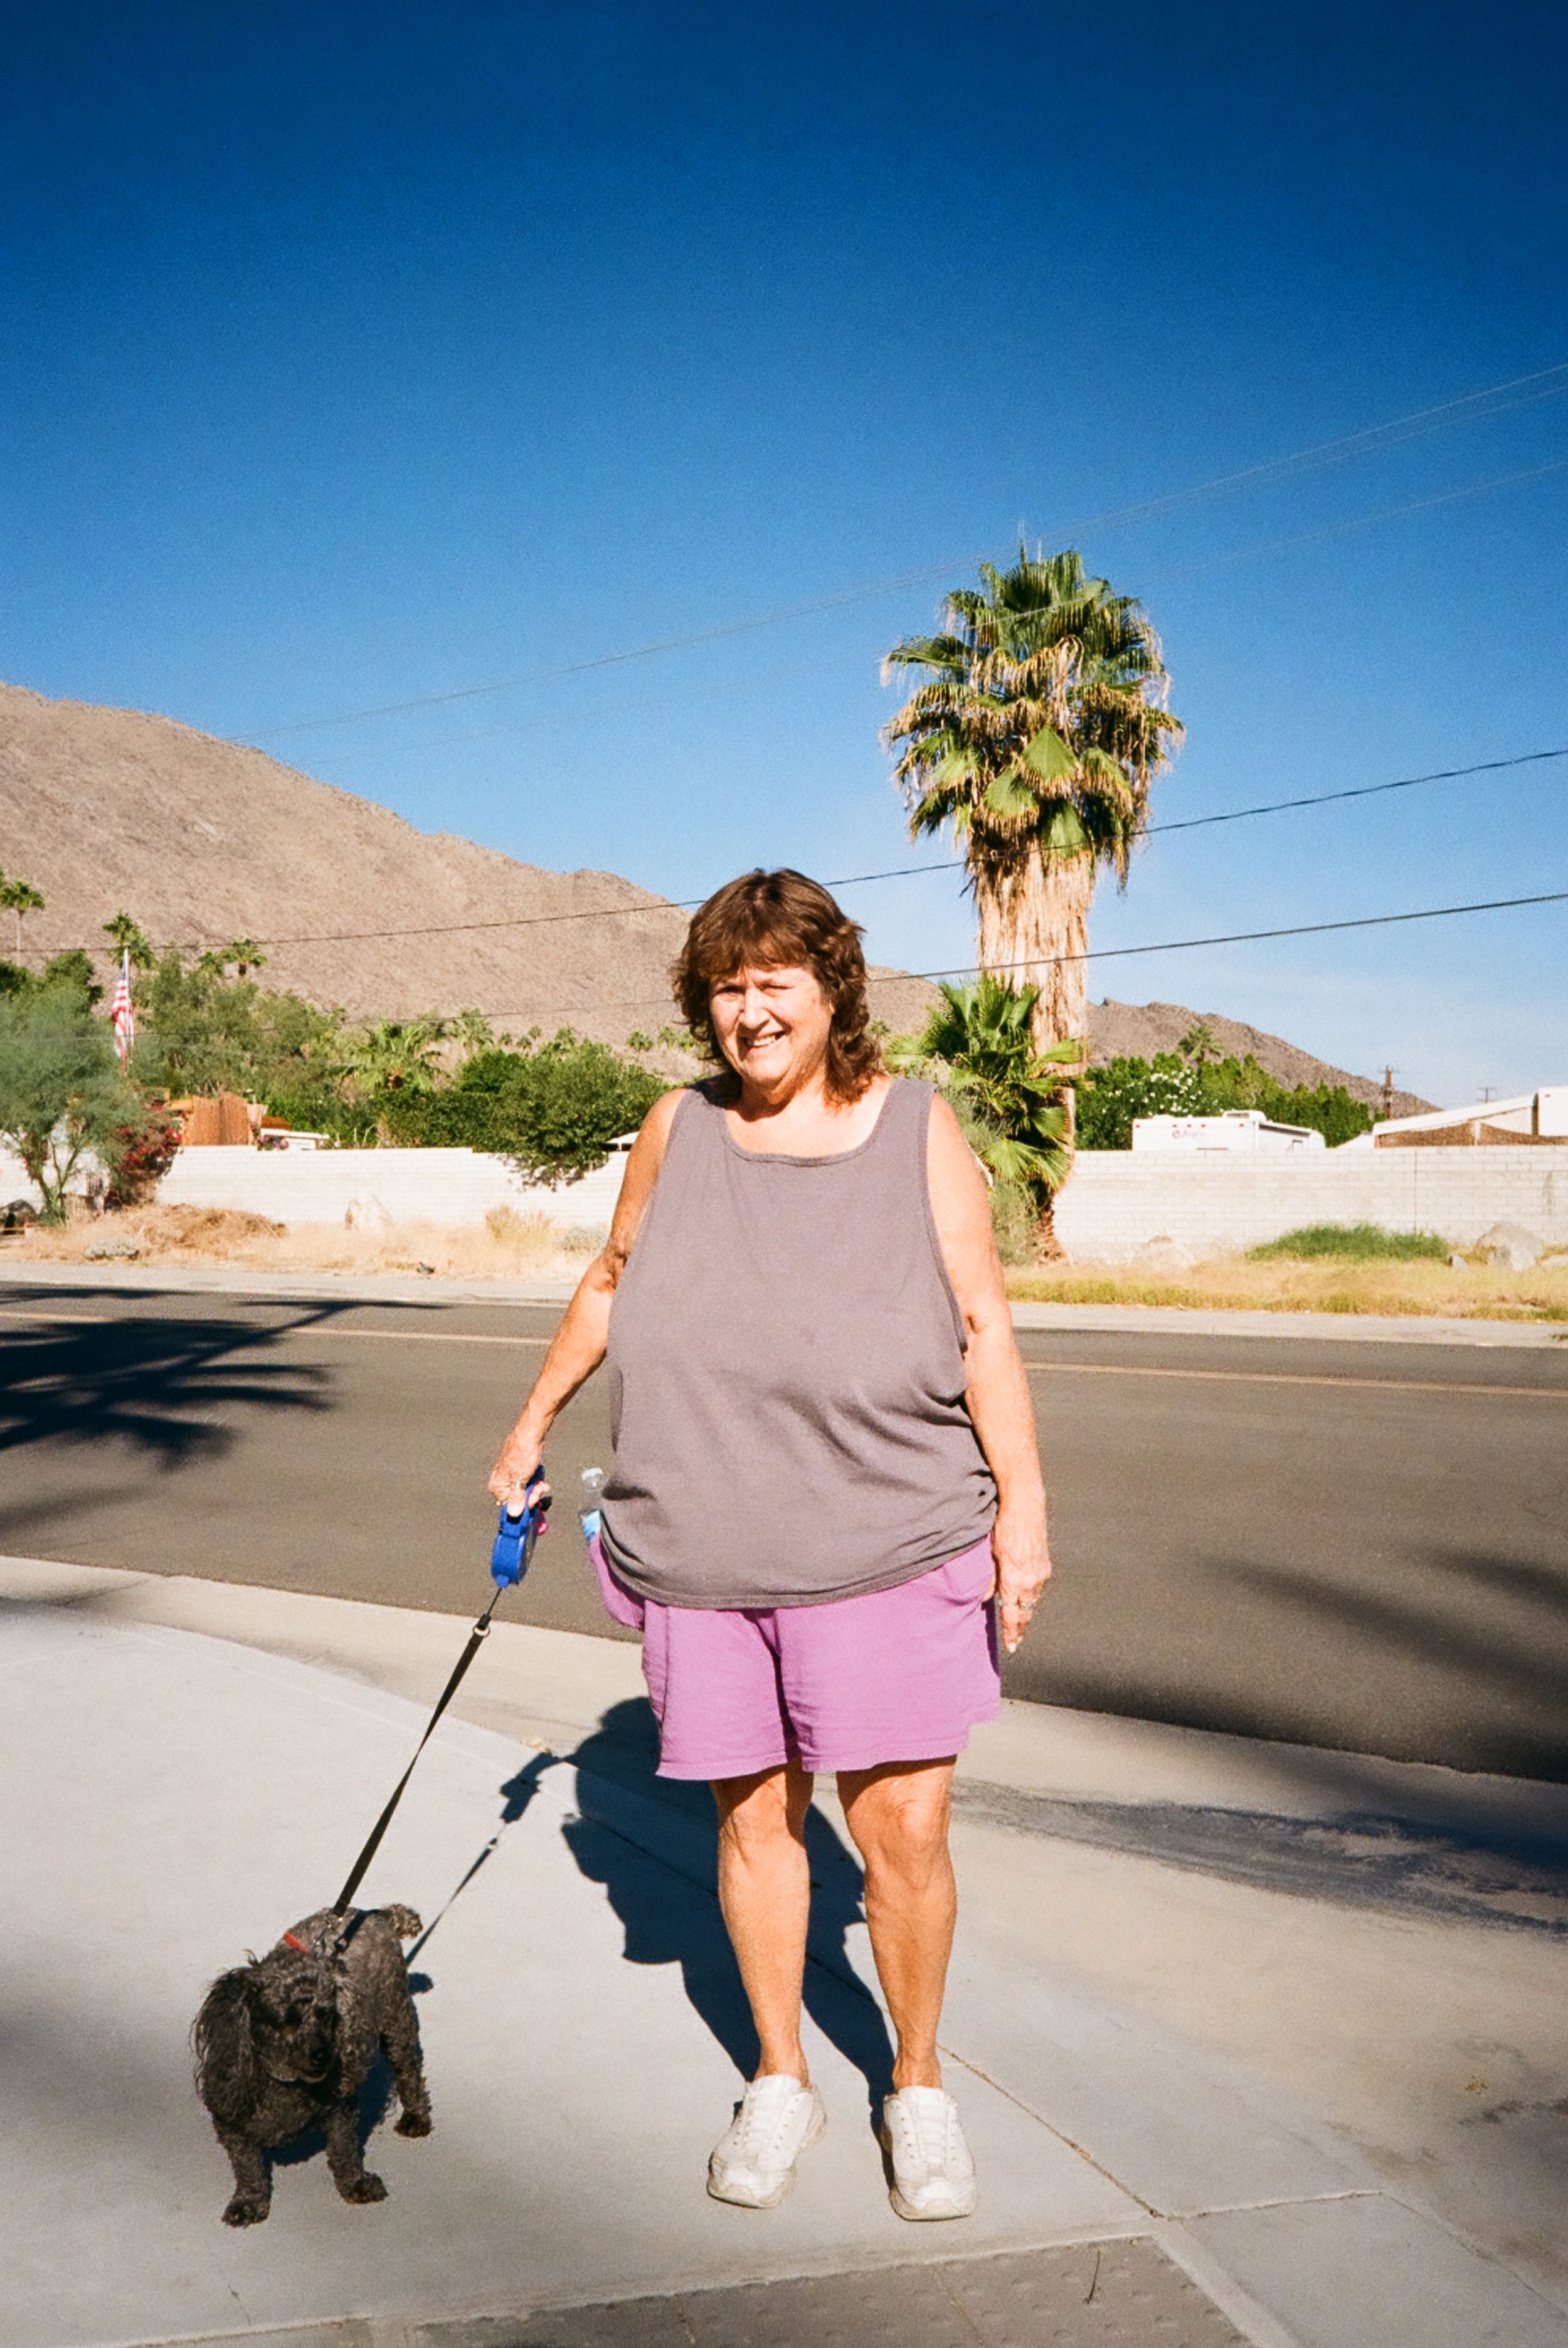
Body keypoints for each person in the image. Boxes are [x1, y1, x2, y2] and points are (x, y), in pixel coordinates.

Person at [489, 869, 1052, 2221]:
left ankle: (915, 2088)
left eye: (773, 983)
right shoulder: (674, 1127)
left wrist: (1023, 1511)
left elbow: (981, 1322)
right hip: (705, 1540)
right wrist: (528, 1426)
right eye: (726, 987)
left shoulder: (916, 1126)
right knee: (754, 1818)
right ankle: (782, 2076)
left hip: (893, 1530)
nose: (749, 1012)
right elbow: (613, 1279)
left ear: (829, 989)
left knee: (903, 1826)